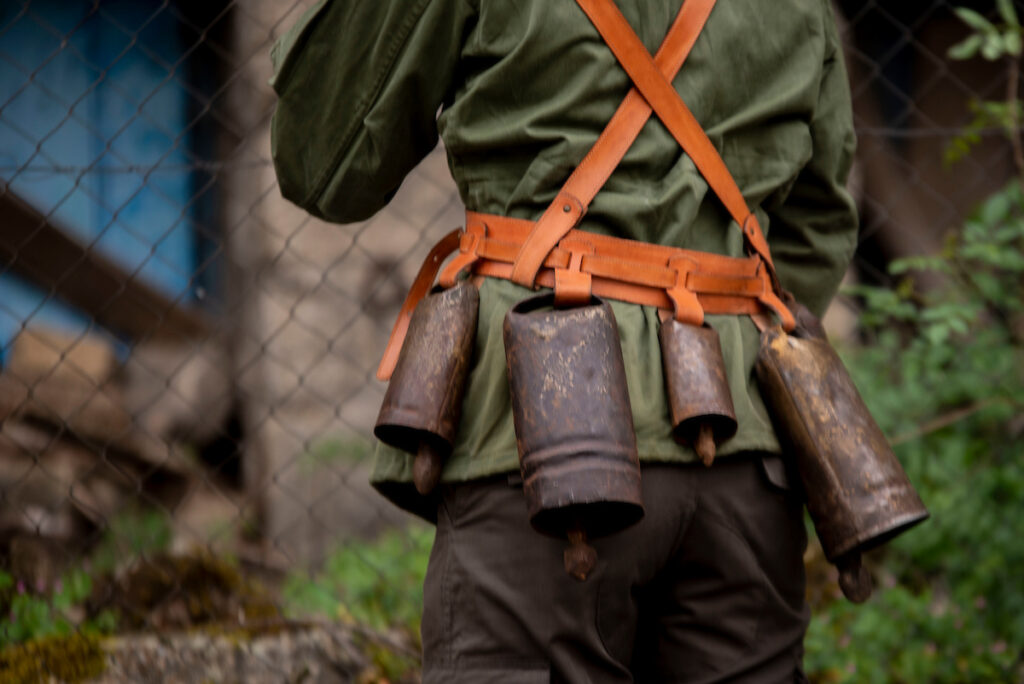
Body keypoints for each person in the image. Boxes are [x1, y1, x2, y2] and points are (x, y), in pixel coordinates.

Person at [271, 0, 858, 681]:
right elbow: (817, 224)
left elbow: (324, 165)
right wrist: (718, 333)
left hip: (545, 438)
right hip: (745, 452)